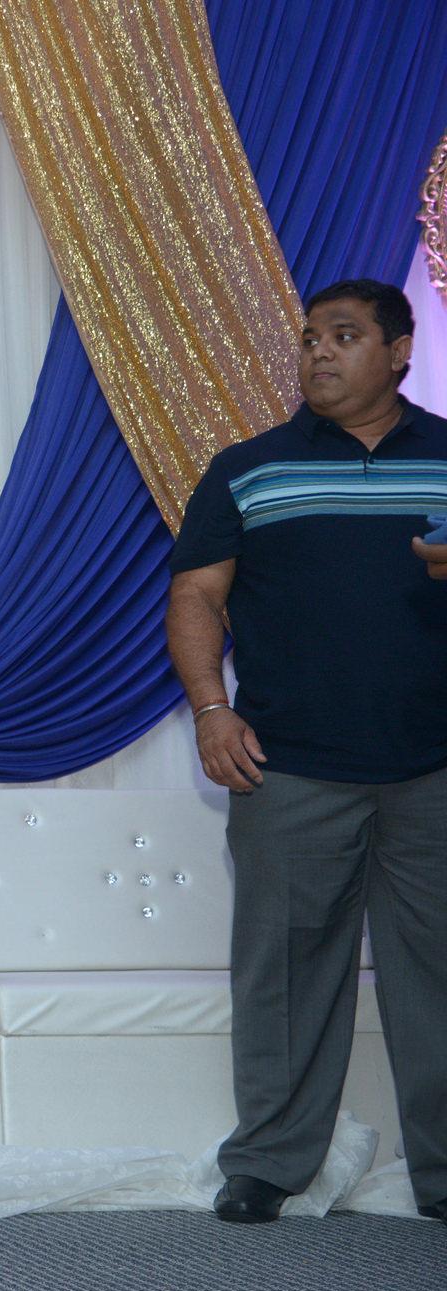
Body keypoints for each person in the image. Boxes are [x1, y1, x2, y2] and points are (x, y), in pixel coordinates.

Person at [167, 277, 447, 1225]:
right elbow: (197, 595)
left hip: (435, 766)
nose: (318, 352)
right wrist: (211, 709)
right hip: (285, 765)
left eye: (344, 335)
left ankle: (444, 1171)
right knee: (283, 974)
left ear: (399, 352)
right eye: (310, 337)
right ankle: (268, 1164)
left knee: (440, 973)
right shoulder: (250, 468)